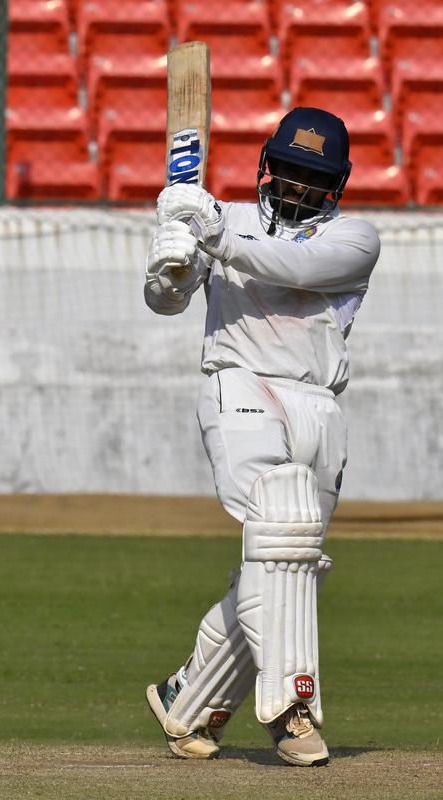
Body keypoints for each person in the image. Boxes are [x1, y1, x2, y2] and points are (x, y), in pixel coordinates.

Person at [141, 107, 381, 767]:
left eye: (315, 176)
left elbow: (291, 270)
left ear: (336, 182)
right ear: (269, 163)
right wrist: (172, 264)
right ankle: (291, 703)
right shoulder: (221, 219)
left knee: (284, 559)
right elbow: (165, 300)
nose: (299, 186)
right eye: (291, 170)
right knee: (281, 528)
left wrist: (207, 227)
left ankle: (187, 697)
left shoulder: (355, 237)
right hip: (240, 384)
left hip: (319, 406)